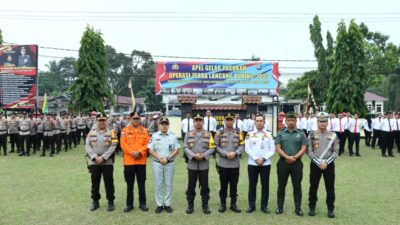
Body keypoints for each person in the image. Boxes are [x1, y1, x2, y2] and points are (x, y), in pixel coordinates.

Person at [307, 112, 339, 218]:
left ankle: (330, 209)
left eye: (324, 121)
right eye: (320, 121)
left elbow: (335, 152)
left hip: (328, 165)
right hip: (315, 165)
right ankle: (312, 207)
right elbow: (309, 151)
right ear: (317, 122)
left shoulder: (333, 135)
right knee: (313, 186)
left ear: (327, 122)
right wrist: (318, 162)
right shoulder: (311, 135)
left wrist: (326, 162)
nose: (322, 123)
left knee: (330, 187)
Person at [274, 112, 307, 216]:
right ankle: (280, 207)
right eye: (289, 120)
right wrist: (287, 157)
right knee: (281, 186)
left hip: (297, 164)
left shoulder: (301, 134)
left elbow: (304, 148)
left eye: (293, 120)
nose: (291, 122)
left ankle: (298, 208)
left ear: (296, 121)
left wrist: (295, 157)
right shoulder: (280, 133)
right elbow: (278, 147)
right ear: (286, 121)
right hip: (283, 163)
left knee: (297, 186)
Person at [184, 113, 215, 214]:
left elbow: (212, 148)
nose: (198, 122)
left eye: (200, 120)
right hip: (192, 164)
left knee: (205, 186)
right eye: (196, 120)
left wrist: (203, 155)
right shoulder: (188, 134)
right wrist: (193, 155)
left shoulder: (208, 134)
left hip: (204, 164)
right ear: (193, 122)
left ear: (203, 122)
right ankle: (190, 205)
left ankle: (205, 205)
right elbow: (185, 147)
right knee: (191, 186)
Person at [86, 113, 118, 212]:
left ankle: (110, 201)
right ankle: (95, 201)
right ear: (97, 121)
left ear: (106, 121)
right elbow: (87, 146)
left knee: (109, 182)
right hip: (94, 163)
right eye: (99, 120)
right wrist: (95, 157)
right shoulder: (91, 132)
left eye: (103, 120)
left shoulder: (112, 132)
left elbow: (113, 145)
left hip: (107, 162)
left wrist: (103, 158)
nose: (101, 122)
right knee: (95, 183)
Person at [148, 117, 180, 213]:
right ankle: (159, 204)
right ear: (159, 125)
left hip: (169, 163)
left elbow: (177, 150)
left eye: (166, 124)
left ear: (168, 125)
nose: (164, 126)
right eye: (162, 124)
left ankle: (167, 204)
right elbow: (150, 149)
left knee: (168, 184)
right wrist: (159, 158)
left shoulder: (173, 136)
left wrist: (168, 158)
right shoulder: (154, 136)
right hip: (157, 163)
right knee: (158, 184)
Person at [245, 113, 275, 214]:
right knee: (252, 185)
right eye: (257, 121)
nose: (259, 123)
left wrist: (264, 159)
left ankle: (264, 206)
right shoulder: (249, 134)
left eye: (261, 121)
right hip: (252, 164)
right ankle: (251, 205)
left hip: (265, 164)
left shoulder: (269, 134)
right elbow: (247, 149)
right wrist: (256, 159)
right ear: (254, 122)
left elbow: (272, 150)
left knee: (265, 185)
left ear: (264, 122)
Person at [120, 112, 150, 212]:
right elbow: (123, 144)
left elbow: (148, 144)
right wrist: (132, 152)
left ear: (140, 119)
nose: (136, 120)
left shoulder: (145, 131)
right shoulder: (124, 130)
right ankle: (129, 205)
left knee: (141, 184)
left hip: (141, 162)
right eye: (134, 118)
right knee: (130, 184)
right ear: (130, 119)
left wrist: (139, 152)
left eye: (137, 118)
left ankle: (142, 204)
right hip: (129, 162)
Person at [214, 113, 244, 213]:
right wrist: (226, 154)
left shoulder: (239, 132)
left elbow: (242, 146)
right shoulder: (219, 132)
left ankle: (233, 204)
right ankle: (223, 204)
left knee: (234, 185)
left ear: (234, 121)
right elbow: (216, 146)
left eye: (231, 120)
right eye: (227, 120)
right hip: (223, 163)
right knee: (223, 185)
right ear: (224, 121)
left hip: (235, 163)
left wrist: (235, 153)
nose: (229, 121)